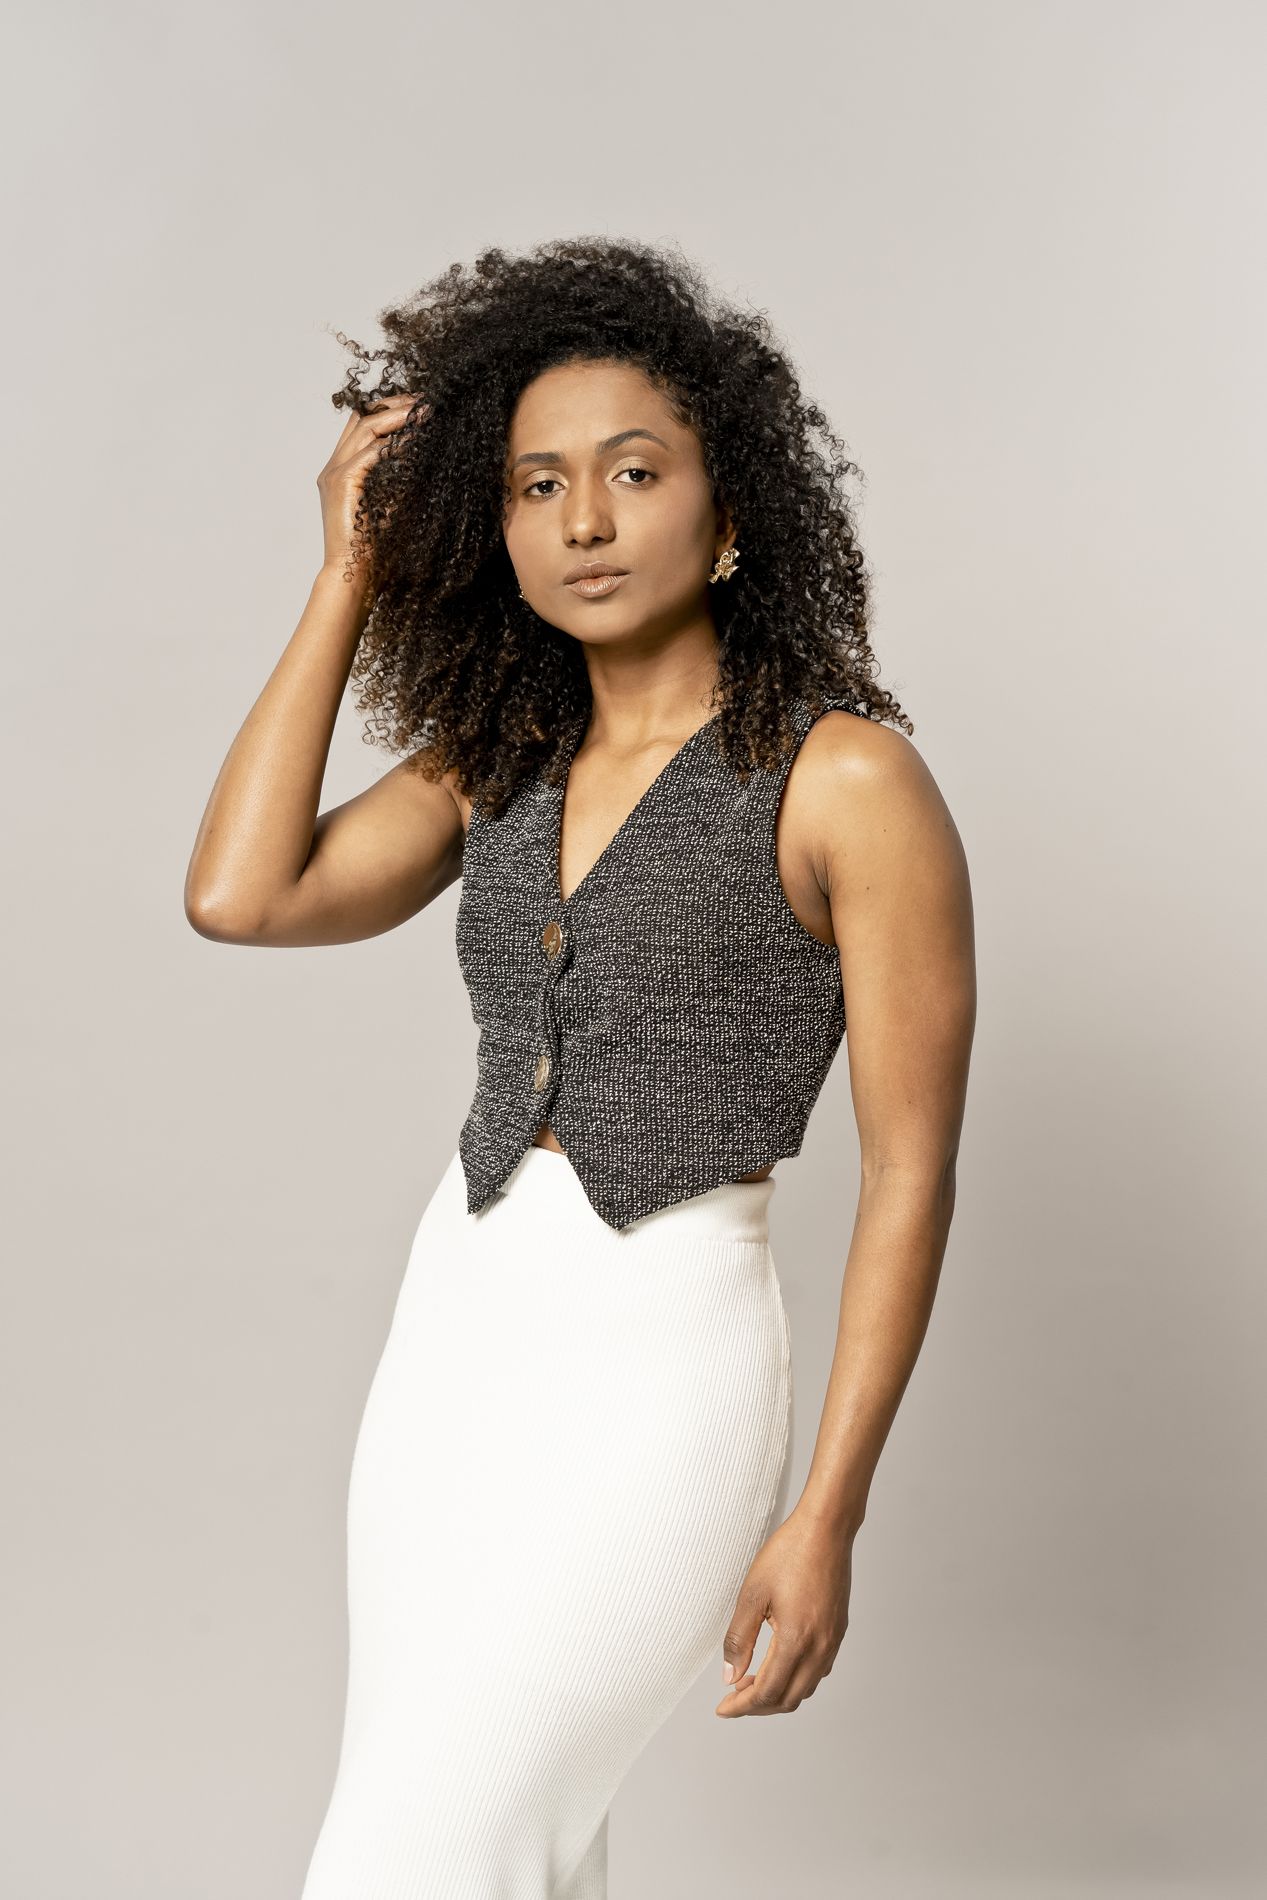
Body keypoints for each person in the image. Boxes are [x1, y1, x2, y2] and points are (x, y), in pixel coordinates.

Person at [185, 235, 975, 1900]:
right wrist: (345, 576)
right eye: (536, 486)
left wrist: (826, 1513)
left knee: (420, 1852)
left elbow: (911, 1172)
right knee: (494, 1841)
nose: (586, 521)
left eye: (633, 471)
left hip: (665, 1362)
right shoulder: (497, 761)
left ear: (729, 502)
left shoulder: (845, 782)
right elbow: (242, 895)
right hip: (454, 1340)